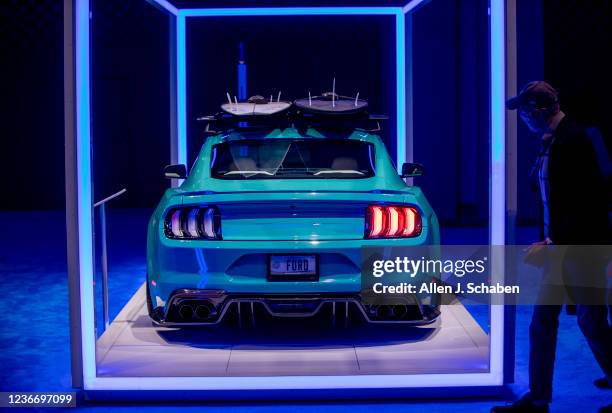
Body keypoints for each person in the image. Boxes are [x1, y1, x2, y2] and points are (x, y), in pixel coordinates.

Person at [491, 81, 612, 413]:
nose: (524, 119)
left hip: (583, 250)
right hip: (559, 250)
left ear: (540, 109)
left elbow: (591, 203)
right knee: (543, 321)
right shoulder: (553, 142)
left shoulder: (574, 140)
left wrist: (555, 239)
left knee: (592, 322)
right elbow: (553, 201)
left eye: (526, 112)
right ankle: (539, 398)